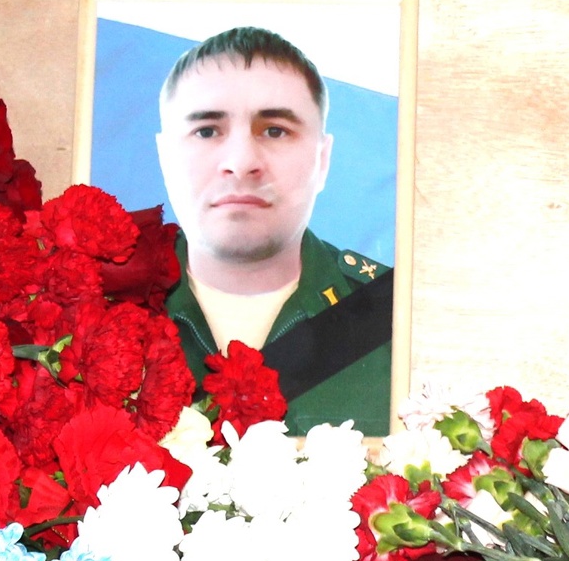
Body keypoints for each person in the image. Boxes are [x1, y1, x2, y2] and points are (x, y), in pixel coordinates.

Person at [156, 26, 392, 434]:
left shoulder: (398, 320)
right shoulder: (92, 312)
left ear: (322, 160)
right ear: (165, 157)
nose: (241, 162)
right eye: (207, 131)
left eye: (275, 130)